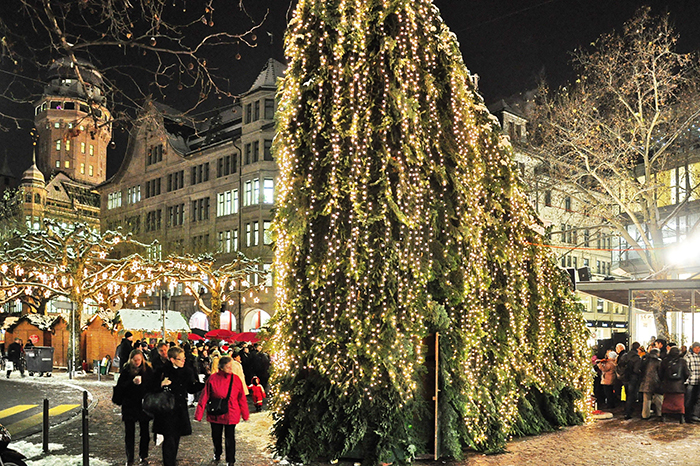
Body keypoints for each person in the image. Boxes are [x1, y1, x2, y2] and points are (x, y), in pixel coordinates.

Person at [152, 346, 203, 466]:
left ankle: (171, 461)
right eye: (180, 359)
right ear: (172, 359)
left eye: (184, 359)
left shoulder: (186, 371)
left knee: (176, 437)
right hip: (166, 408)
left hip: (179, 407)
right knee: (169, 438)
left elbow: (190, 389)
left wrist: (202, 384)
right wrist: (161, 384)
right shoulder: (162, 370)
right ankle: (169, 463)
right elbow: (150, 387)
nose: (183, 361)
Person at [195, 356, 249, 466]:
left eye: (231, 366)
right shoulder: (213, 379)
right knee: (216, 436)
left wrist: (245, 413)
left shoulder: (236, 379)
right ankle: (217, 453)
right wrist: (198, 414)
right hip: (216, 413)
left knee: (230, 438)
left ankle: (231, 460)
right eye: (228, 367)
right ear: (221, 367)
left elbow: (241, 397)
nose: (230, 368)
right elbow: (204, 396)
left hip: (231, 412)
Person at [114, 349, 155, 466]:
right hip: (130, 405)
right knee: (129, 433)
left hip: (143, 405)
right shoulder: (126, 370)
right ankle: (130, 458)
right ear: (131, 359)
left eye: (139, 359)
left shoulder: (148, 370)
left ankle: (143, 456)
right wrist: (132, 382)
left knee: (145, 432)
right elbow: (120, 387)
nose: (137, 362)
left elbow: (152, 386)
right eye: (135, 360)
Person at [659, 346, 690, 423]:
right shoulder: (682, 361)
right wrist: (682, 380)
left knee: (667, 401)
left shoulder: (665, 361)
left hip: (667, 385)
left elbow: (660, 373)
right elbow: (687, 373)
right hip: (679, 386)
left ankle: (664, 416)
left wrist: (663, 380)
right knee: (679, 402)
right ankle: (681, 417)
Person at [619, 342, 642, 419]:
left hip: (625, 378)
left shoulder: (625, 356)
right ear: (638, 348)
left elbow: (619, 365)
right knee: (631, 395)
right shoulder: (637, 358)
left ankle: (626, 409)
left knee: (627, 394)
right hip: (633, 378)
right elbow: (636, 370)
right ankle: (628, 412)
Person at [639, 348, 663, 419]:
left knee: (646, 400)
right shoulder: (658, 361)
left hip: (645, 382)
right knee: (659, 398)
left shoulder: (645, 360)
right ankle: (660, 413)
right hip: (656, 382)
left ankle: (645, 415)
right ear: (657, 353)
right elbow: (660, 372)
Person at [685, 342, 700, 423]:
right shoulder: (688, 356)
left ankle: (694, 415)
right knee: (688, 399)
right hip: (691, 381)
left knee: (696, 399)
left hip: (699, 381)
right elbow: (686, 368)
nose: (697, 349)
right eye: (696, 348)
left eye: (699, 348)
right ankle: (687, 415)